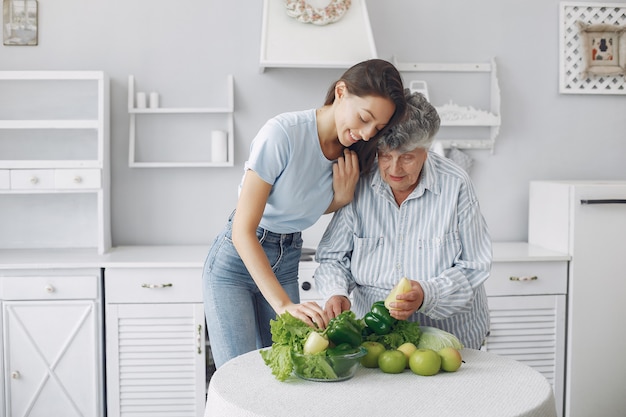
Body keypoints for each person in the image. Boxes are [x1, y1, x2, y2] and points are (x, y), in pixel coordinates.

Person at [202, 59, 407, 368]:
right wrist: (284, 305)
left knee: (284, 367)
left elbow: (297, 204)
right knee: (239, 375)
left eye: (376, 128)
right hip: (236, 262)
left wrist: (341, 199)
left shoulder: (351, 153)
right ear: (341, 91)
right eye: (364, 118)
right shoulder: (282, 134)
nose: (366, 134)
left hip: (286, 260)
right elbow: (242, 231)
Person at [314, 91, 491, 349]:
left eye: (407, 157)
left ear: (426, 151)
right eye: (385, 155)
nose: (394, 169)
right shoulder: (361, 182)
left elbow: (475, 267)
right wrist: (336, 292)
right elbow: (332, 258)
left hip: (452, 340)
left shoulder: (455, 184)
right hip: (376, 339)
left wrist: (427, 295)